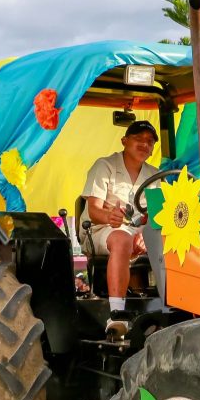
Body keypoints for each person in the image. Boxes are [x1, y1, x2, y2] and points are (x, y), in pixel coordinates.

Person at [81, 120, 159, 335]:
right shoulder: (104, 166)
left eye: (150, 141)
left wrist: (146, 233)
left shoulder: (155, 175)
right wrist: (110, 216)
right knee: (121, 239)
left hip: (136, 232)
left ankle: (176, 305)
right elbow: (94, 211)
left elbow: (156, 215)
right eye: (138, 139)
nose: (145, 144)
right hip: (100, 229)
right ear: (124, 141)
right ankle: (117, 315)